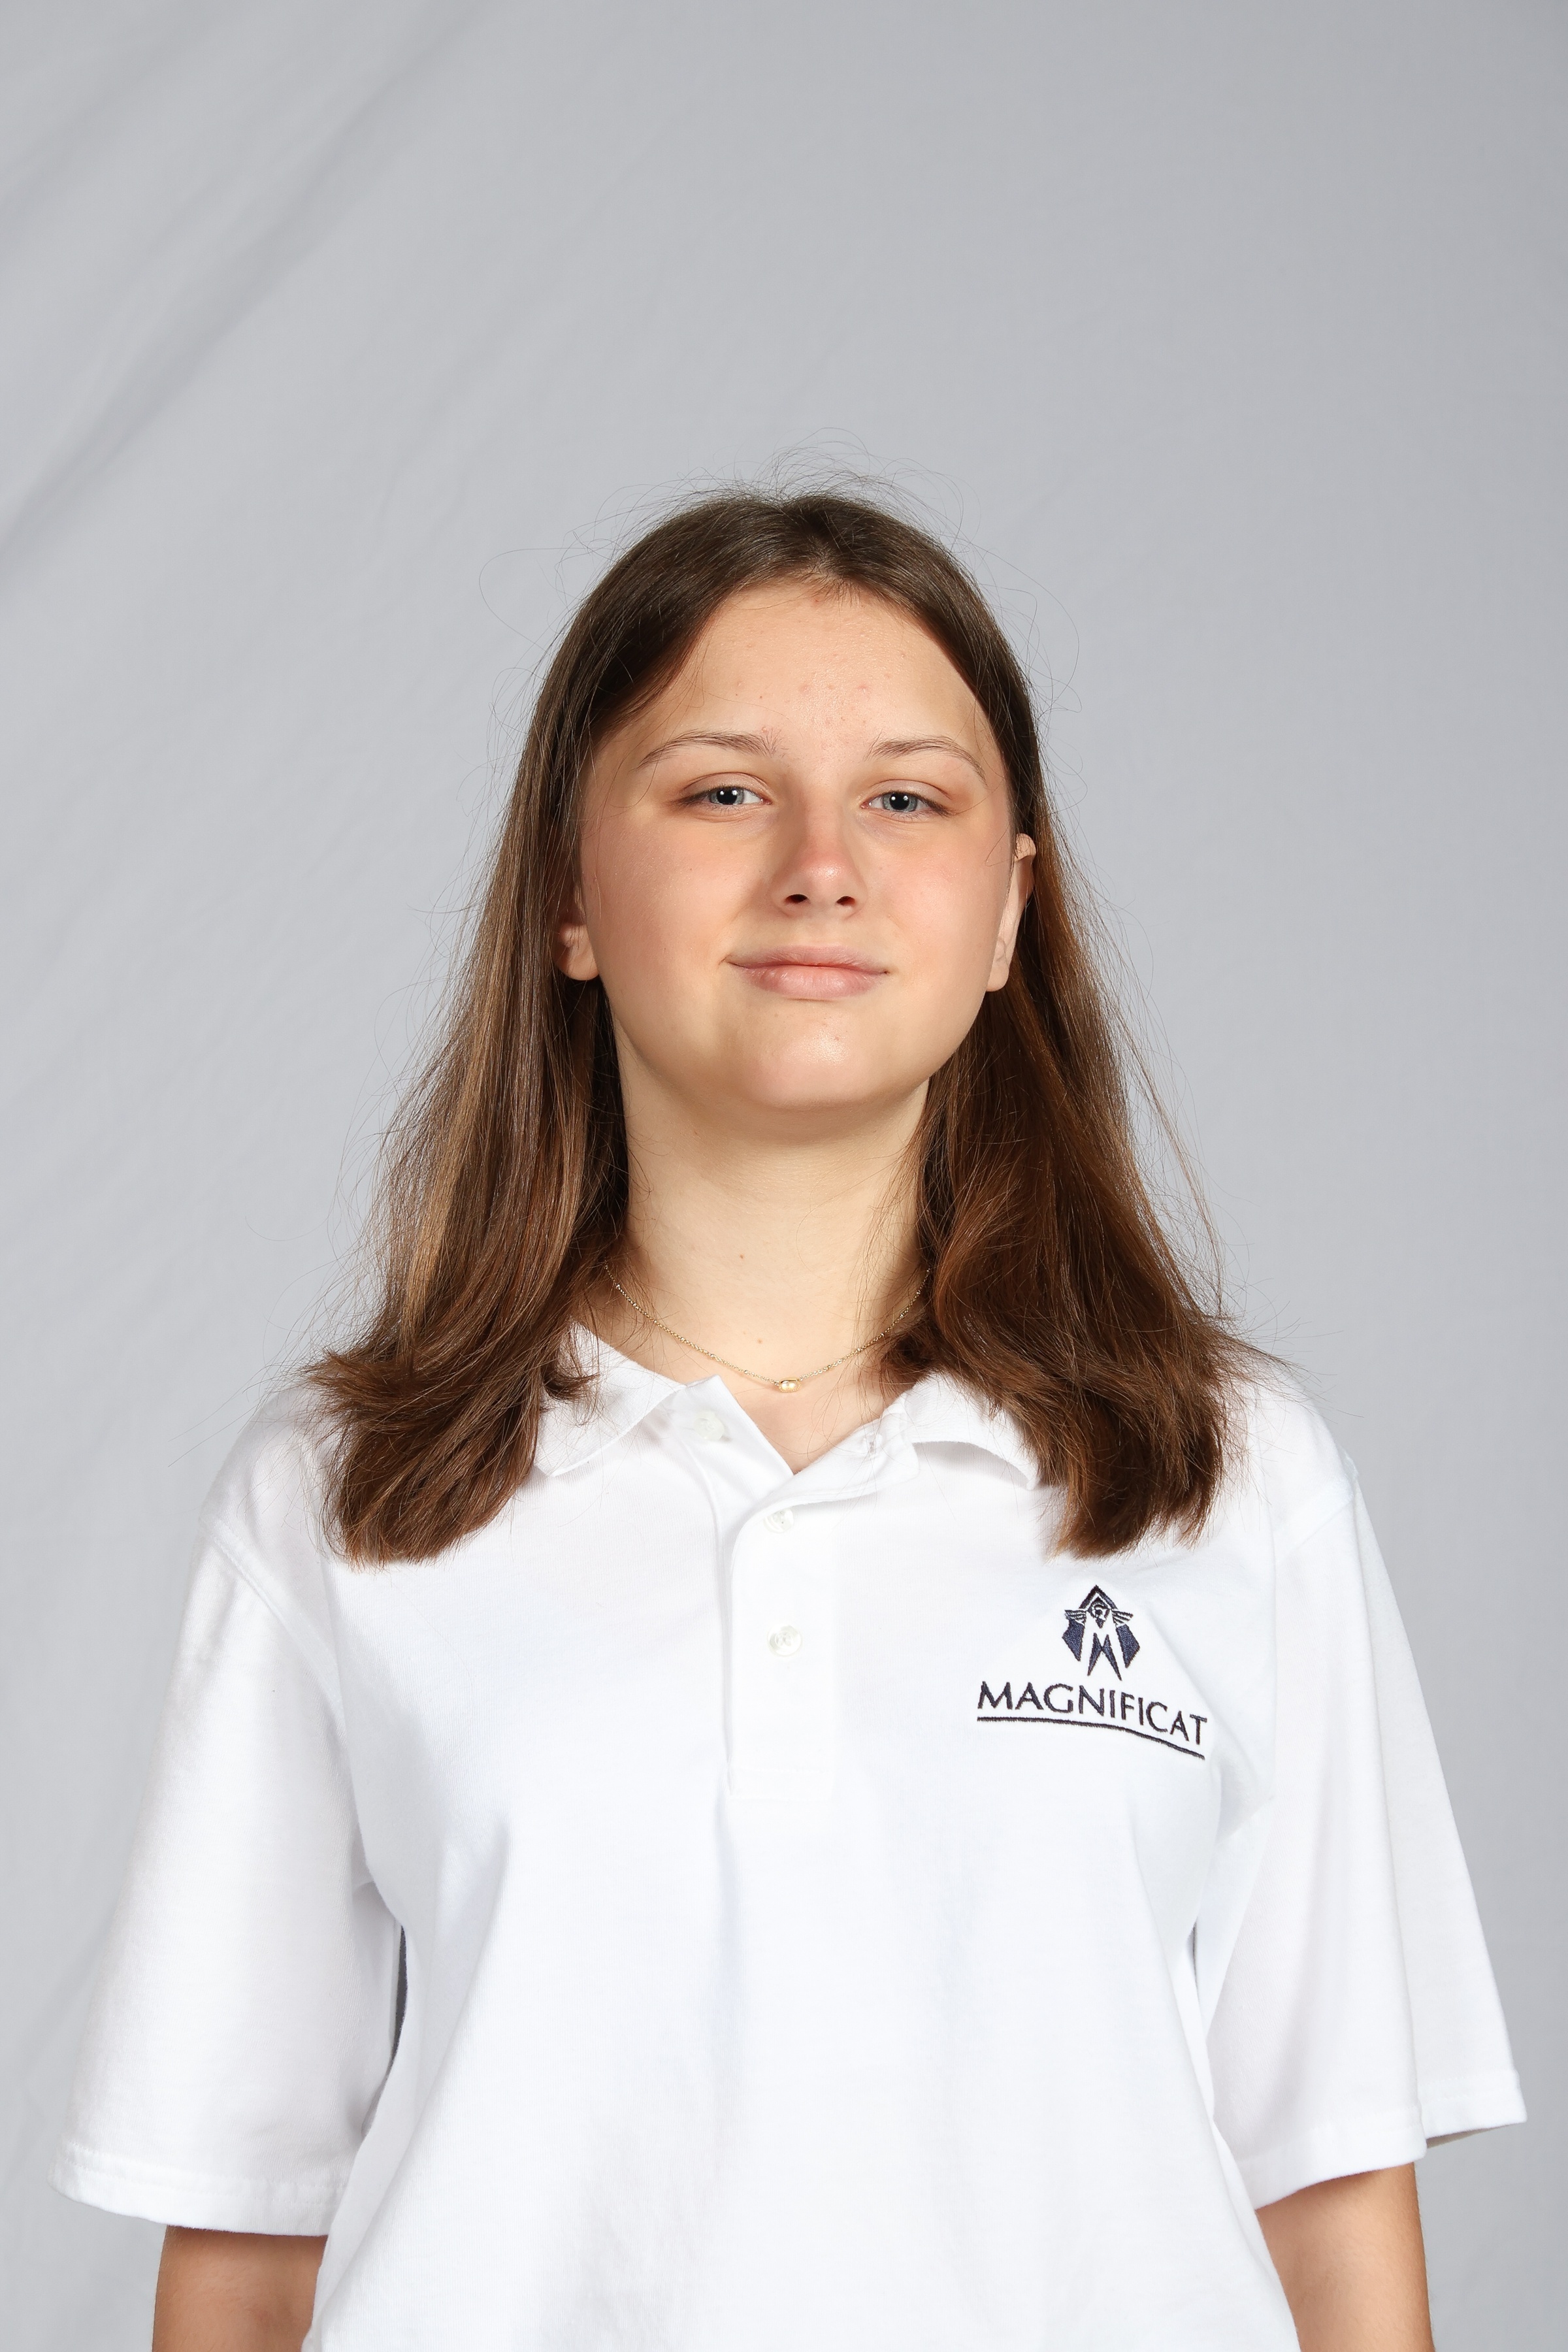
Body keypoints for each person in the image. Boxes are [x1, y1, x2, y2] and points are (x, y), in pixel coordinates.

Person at [52, 489, 1522, 2351]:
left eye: (907, 798)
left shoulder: (1228, 1477)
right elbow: (248, 2253)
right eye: (725, 790)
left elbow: (1331, 2212)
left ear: (1011, 910)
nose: (823, 866)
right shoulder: (349, 1498)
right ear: (571, 895)